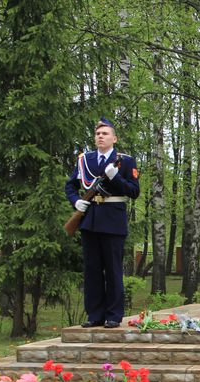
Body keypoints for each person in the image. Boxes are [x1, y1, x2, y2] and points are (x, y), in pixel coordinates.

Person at [65, 118, 140, 328]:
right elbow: (70, 186)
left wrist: (115, 176)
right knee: (92, 269)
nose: (100, 136)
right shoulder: (85, 160)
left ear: (114, 138)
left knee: (113, 269)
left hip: (113, 220)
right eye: (98, 134)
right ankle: (94, 314)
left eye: (105, 133)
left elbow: (134, 191)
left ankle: (114, 315)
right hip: (90, 220)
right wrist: (76, 201)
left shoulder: (125, 161)